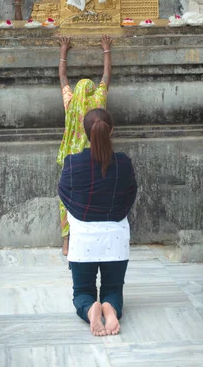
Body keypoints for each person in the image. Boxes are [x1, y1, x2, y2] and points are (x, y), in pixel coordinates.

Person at [58, 108, 137, 336]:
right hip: (116, 238)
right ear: (111, 130)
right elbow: (131, 194)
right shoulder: (124, 163)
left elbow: (63, 193)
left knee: (82, 292)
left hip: (83, 240)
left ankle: (91, 308)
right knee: (113, 290)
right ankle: (110, 309)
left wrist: (82, 213)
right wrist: (115, 212)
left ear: (85, 133)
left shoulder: (72, 163)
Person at [57, 34, 112, 256]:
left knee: (67, 201)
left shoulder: (71, 103)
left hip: (71, 157)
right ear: (90, 91)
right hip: (95, 155)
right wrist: (106, 50)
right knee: (95, 194)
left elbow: (62, 78)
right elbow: (106, 76)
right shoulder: (98, 101)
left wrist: (63, 51)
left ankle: (66, 244)